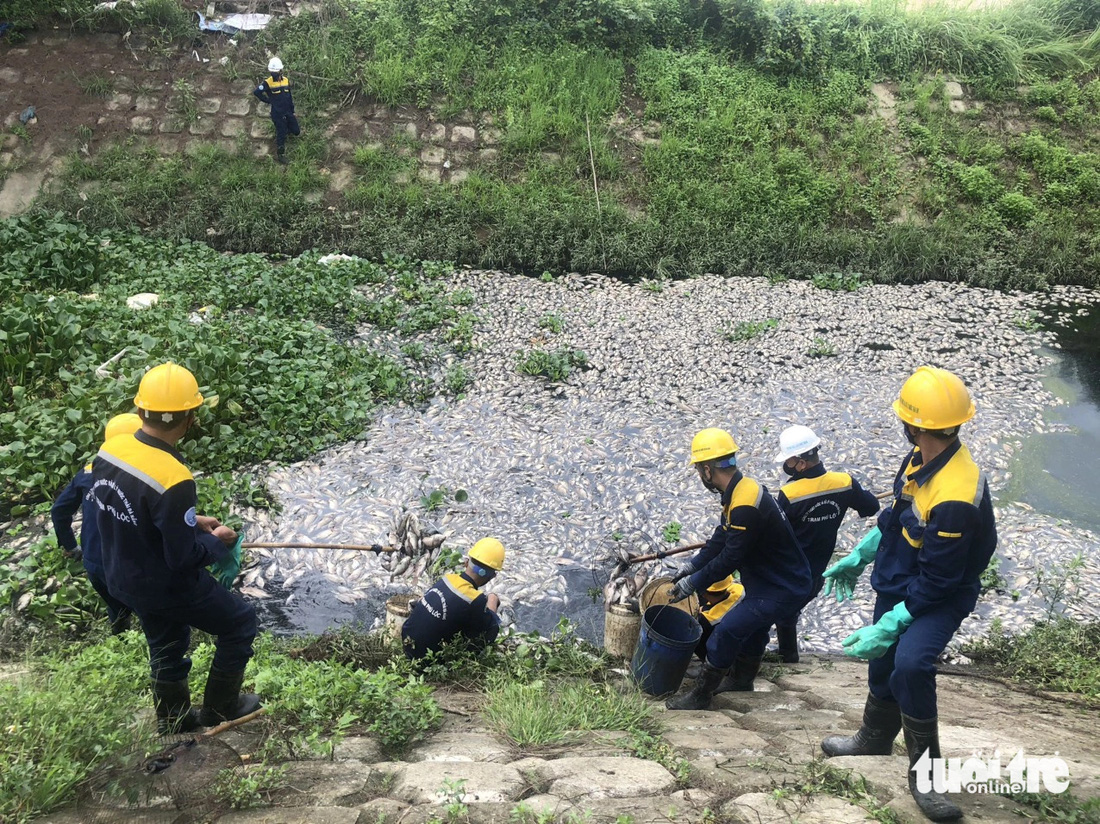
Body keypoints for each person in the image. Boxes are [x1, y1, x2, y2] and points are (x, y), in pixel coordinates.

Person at [820, 366, 997, 823]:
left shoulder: (957, 491)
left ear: (915, 424)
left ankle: (928, 777)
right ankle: (874, 737)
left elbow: (940, 581)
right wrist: (862, 553)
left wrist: (894, 621)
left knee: (910, 663)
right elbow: (899, 511)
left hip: (940, 593)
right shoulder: (920, 457)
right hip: (901, 579)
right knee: (883, 664)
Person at [91, 362, 260, 734]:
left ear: (139, 410)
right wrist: (217, 542)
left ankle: (174, 722)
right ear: (190, 418)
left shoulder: (111, 449)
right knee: (240, 622)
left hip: (123, 576)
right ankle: (221, 709)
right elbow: (182, 558)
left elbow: (130, 507)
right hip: (164, 584)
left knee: (166, 645)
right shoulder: (174, 478)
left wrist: (190, 522)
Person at [666, 428, 812, 709]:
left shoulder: (745, 504)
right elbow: (720, 538)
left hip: (782, 588)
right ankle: (741, 679)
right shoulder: (741, 490)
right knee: (754, 629)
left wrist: (693, 582)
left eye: (699, 470)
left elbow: (729, 559)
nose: (699, 476)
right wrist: (691, 566)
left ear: (708, 470)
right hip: (772, 582)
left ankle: (701, 696)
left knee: (727, 632)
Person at [771, 424, 880, 662]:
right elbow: (871, 507)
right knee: (790, 609)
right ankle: (787, 655)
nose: (786, 466)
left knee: (782, 611)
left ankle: (786, 656)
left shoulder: (789, 493)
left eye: (789, 461)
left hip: (791, 568)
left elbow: (776, 534)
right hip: (818, 569)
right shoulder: (844, 482)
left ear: (800, 463)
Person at [51, 413, 143, 635]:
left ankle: (121, 645)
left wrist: (70, 546)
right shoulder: (140, 476)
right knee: (153, 614)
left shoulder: (88, 471)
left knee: (118, 609)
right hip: (127, 564)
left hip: (95, 562)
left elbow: (59, 510)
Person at [402, 538, 504, 661]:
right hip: (426, 660)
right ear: (492, 576)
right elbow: (489, 623)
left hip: (406, 643)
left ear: (466, 562)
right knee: (492, 626)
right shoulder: (476, 599)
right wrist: (493, 599)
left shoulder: (448, 578)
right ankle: (468, 661)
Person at [253, 56, 299, 164]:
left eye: (276, 71)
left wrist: (292, 110)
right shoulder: (268, 83)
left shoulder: (286, 81)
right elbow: (257, 92)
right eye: (272, 71)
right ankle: (281, 154)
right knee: (281, 133)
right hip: (277, 113)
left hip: (288, 111)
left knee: (296, 131)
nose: (274, 73)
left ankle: (286, 128)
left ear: (280, 71)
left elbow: (289, 96)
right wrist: (268, 100)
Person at [694, 574, 744, 661]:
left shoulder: (708, 620)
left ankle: (710, 662)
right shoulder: (739, 589)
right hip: (742, 637)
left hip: (725, 646)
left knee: (695, 636)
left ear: (704, 594)